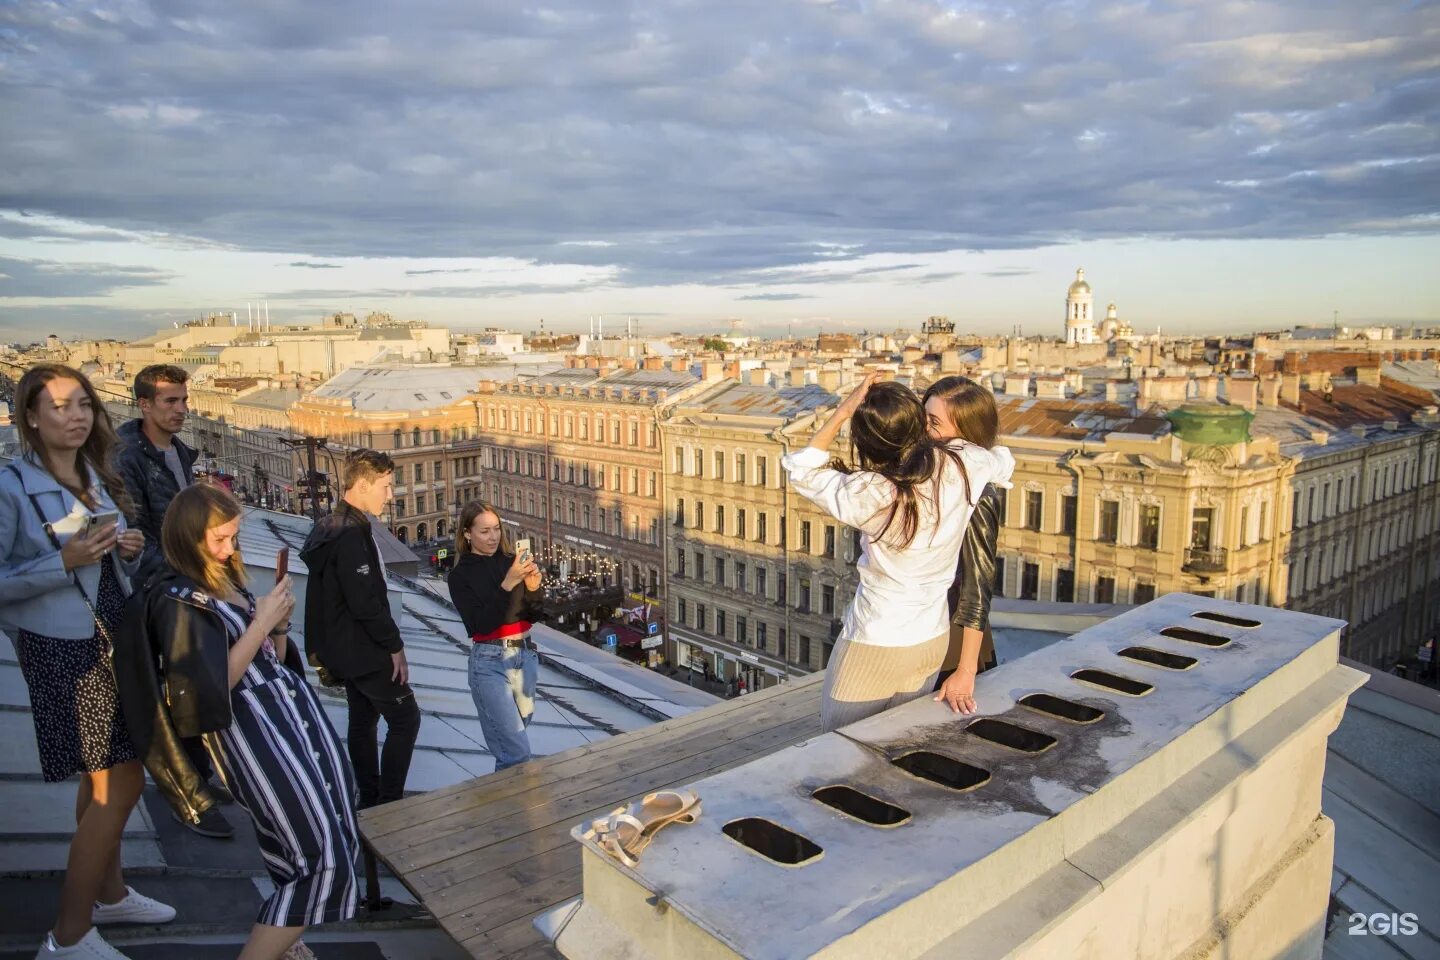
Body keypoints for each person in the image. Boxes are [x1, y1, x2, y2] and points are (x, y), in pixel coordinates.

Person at [136, 483, 357, 960]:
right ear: (186, 538)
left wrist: (276, 624)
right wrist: (260, 623)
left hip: (290, 723)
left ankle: (286, 944)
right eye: (218, 539)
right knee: (324, 858)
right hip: (253, 737)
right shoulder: (178, 599)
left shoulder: (227, 580)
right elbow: (205, 690)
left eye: (234, 536)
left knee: (316, 840)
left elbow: (270, 660)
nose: (229, 548)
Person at [0, 363, 175, 960]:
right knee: (118, 782)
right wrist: (64, 561)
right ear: (30, 416)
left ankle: (110, 892)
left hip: (108, 635)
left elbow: (108, 562)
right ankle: (68, 936)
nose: (74, 416)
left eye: (82, 404)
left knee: (101, 777)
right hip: (65, 651)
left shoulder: (91, 475)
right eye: (57, 406)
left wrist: (123, 547)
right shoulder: (10, 485)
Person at [782, 373, 1015, 732]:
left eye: (932, 422)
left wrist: (844, 411)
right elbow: (1002, 460)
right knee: (898, 740)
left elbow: (802, 470)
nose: (924, 429)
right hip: (930, 642)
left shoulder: (873, 492)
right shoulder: (968, 463)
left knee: (841, 746)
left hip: (875, 642)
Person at [114, 363, 235, 840]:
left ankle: (201, 774)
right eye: (170, 401)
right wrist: (174, 584)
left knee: (193, 682)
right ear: (144, 404)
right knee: (173, 691)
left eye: (184, 400)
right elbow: (137, 533)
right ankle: (189, 795)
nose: (182, 409)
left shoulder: (178, 452)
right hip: (156, 592)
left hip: (182, 582)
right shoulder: (127, 457)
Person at [300, 449, 419, 808]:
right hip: (363, 648)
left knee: (363, 718)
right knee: (405, 718)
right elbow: (364, 600)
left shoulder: (333, 525)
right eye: (385, 486)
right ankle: (388, 802)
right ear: (363, 484)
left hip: (344, 647)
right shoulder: (351, 533)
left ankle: (369, 800)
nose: (390, 494)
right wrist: (394, 645)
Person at [923, 376, 1005, 716]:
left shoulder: (978, 489)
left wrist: (966, 669)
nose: (924, 430)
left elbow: (977, 581)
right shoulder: (930, 472)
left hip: (955, 642)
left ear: (967, 434)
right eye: (923, 418)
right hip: (924, 629)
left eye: (934, 422)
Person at [447, 501, 544, 771]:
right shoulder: (460, 576)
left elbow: (533, 614)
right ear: (467, 534)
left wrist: (534, 589)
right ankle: (515, 809)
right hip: (490, 661)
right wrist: (509, 583)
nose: (493, 537)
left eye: (496, 529)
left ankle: (508, 805)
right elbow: (481, 624)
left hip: (525, 655)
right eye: (484, 531)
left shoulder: (510, 562)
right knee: (516, 752)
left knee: (513, 740)